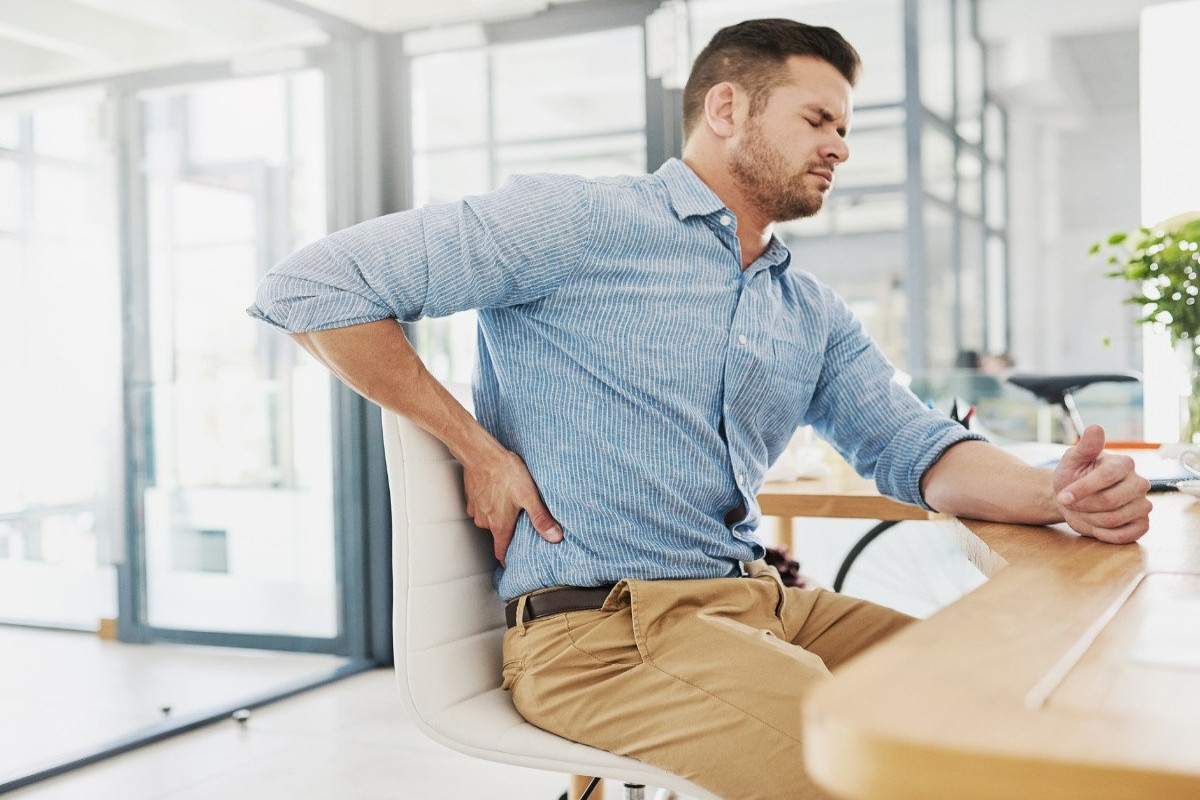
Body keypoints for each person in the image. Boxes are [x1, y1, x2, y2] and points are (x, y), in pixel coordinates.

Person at [249, 18, 1152, 798]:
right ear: (727, 110)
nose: (840, 145)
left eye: (845, 127)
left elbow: (910, 444)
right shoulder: (581, 222)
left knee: (1008, 697)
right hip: (607, 634)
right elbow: (313, 285)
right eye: (817, 119)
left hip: (758, 606)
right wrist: (476, 447)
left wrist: (1054, 495)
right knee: (896, 769)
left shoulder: (807, 310)